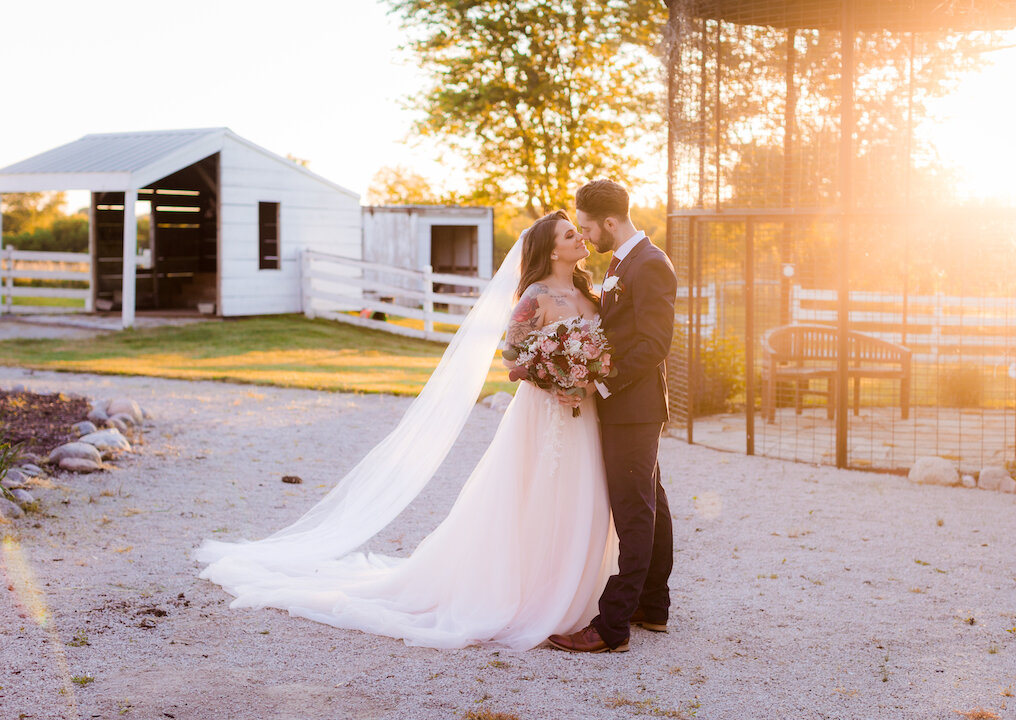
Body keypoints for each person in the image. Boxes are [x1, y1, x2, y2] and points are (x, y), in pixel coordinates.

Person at [196, 210, 617, 651]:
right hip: (545, 415)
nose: (580, 239)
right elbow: (513, 356)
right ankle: (533, 593)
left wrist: (583, 380)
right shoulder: (535, 296)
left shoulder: (589, 293)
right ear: (552, 249)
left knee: (580, 496)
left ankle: (579, 592)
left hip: (582, 416)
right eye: (571, 234)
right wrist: (555, 380)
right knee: (537, 498)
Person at [548, 179, 677, 653]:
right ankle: (652, 606)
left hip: (633, 407)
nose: (585, 238)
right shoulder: (623, 262)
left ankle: (612, 626)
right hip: (628, 407)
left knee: (633, 511)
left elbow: (654, 345)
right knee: (650, 502)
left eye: (586, 228)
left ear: (609, 221)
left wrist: (599, 383)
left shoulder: (650, 265)